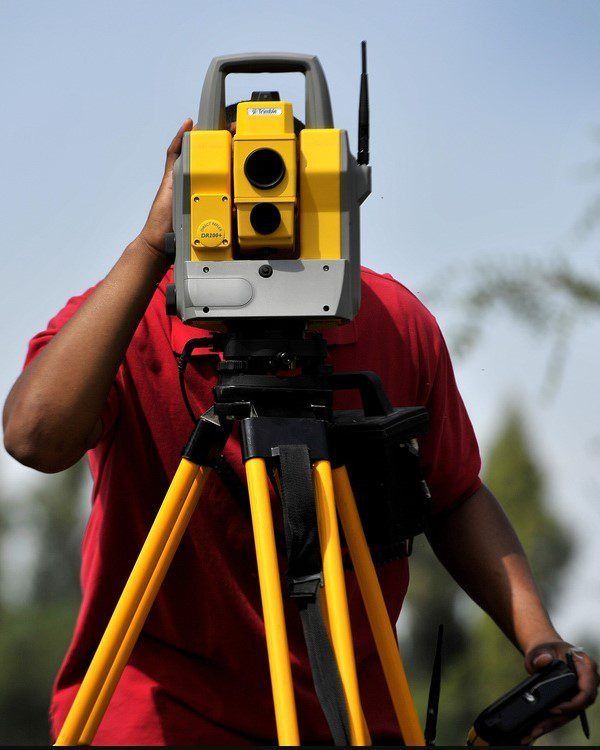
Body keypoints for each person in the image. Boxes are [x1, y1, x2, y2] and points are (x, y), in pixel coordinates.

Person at [3, 115, 598, 747]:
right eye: (237, 183)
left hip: (347, 714)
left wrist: (540, 638)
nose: (265, 208)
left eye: (290, 183)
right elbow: (34, 437)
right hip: (160, 714)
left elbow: (452, 493)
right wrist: (152, 248)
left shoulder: (391, 323)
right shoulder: (128, 322)